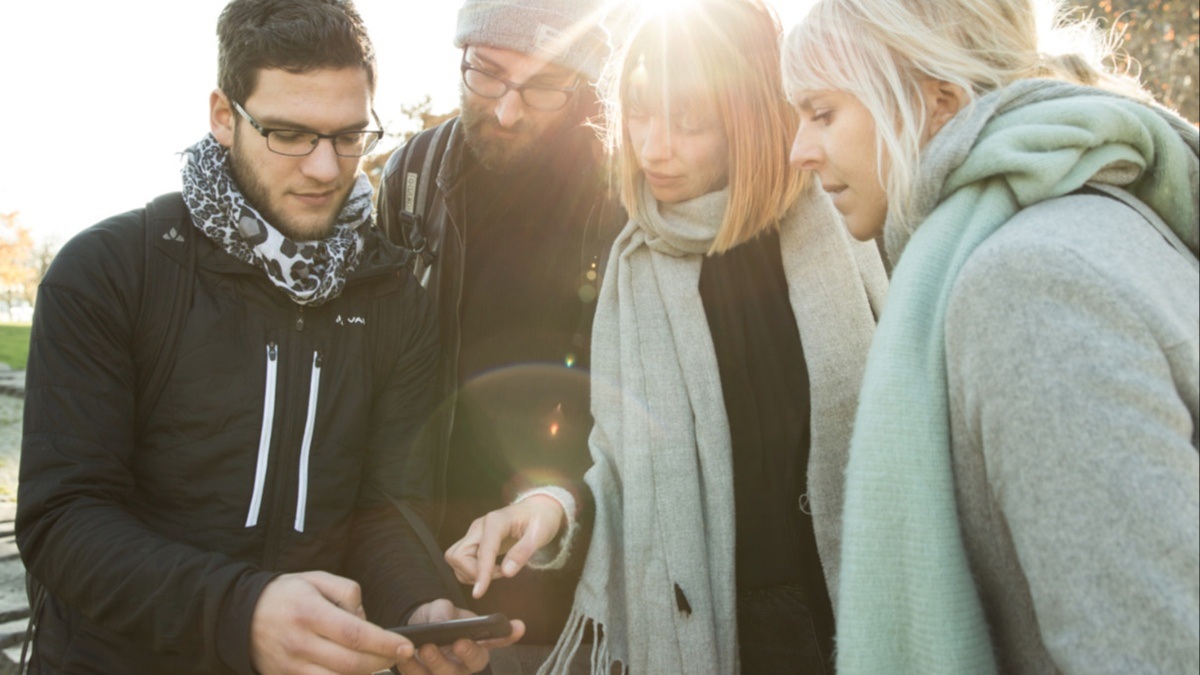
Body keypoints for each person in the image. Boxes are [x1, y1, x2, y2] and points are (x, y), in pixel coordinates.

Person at [16, 1, 521, 672]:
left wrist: (418, 602)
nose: (326, 168)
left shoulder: (395, 298)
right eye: (289, 134)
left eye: (349, 136)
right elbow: (64, 519)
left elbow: (383, 509)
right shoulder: (110, 272)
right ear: (224, 116)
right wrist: (240, 611)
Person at [446, 1, 888, 672]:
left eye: (690, 122)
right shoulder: (634, 263)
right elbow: (621, 464)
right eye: (640, 113)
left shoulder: (851, 219)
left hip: (862, 603)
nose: (654, 147)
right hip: (712, 630)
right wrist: (549, 506)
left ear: (752, 119)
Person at [784, 0, 1200, 672]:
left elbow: (1151, 648)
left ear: (938, 103)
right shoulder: (1090, 216)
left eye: (822, 113)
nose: (799, 150)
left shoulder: (1028, 283)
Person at [375, 0, 621, 667]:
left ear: (583, 84)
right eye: (485, 73)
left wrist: (561, 500)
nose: (507, 111)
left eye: (543, 87)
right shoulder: (412, 180)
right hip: (425, 580)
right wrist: (402, 576)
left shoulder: (624, 191)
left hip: (579, 592)